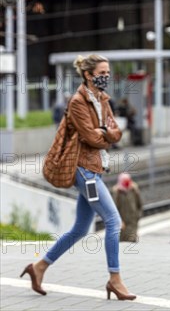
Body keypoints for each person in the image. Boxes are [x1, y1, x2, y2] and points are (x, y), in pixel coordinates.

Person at [20, 54, 136, 301]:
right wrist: (105, 133)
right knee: (114, 222)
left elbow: (117, 132)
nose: (106, 76)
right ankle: (115, 279)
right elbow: (92, 139)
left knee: (80, 229)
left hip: (94, 169)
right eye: (102, 72)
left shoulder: (103, 99)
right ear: (88, 74)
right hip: (83, 170)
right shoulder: (77, 102)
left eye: (108, 72)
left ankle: (39, 267)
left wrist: (104, 131)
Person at [111, 172, 143, 243]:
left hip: (133, 221)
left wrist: (138, 216)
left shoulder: (134, 190)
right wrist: (119, 221)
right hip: (122, 222)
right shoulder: (117, 192)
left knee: (132, 240)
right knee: (122, 241)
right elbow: (114, 208)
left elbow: (140, 204)